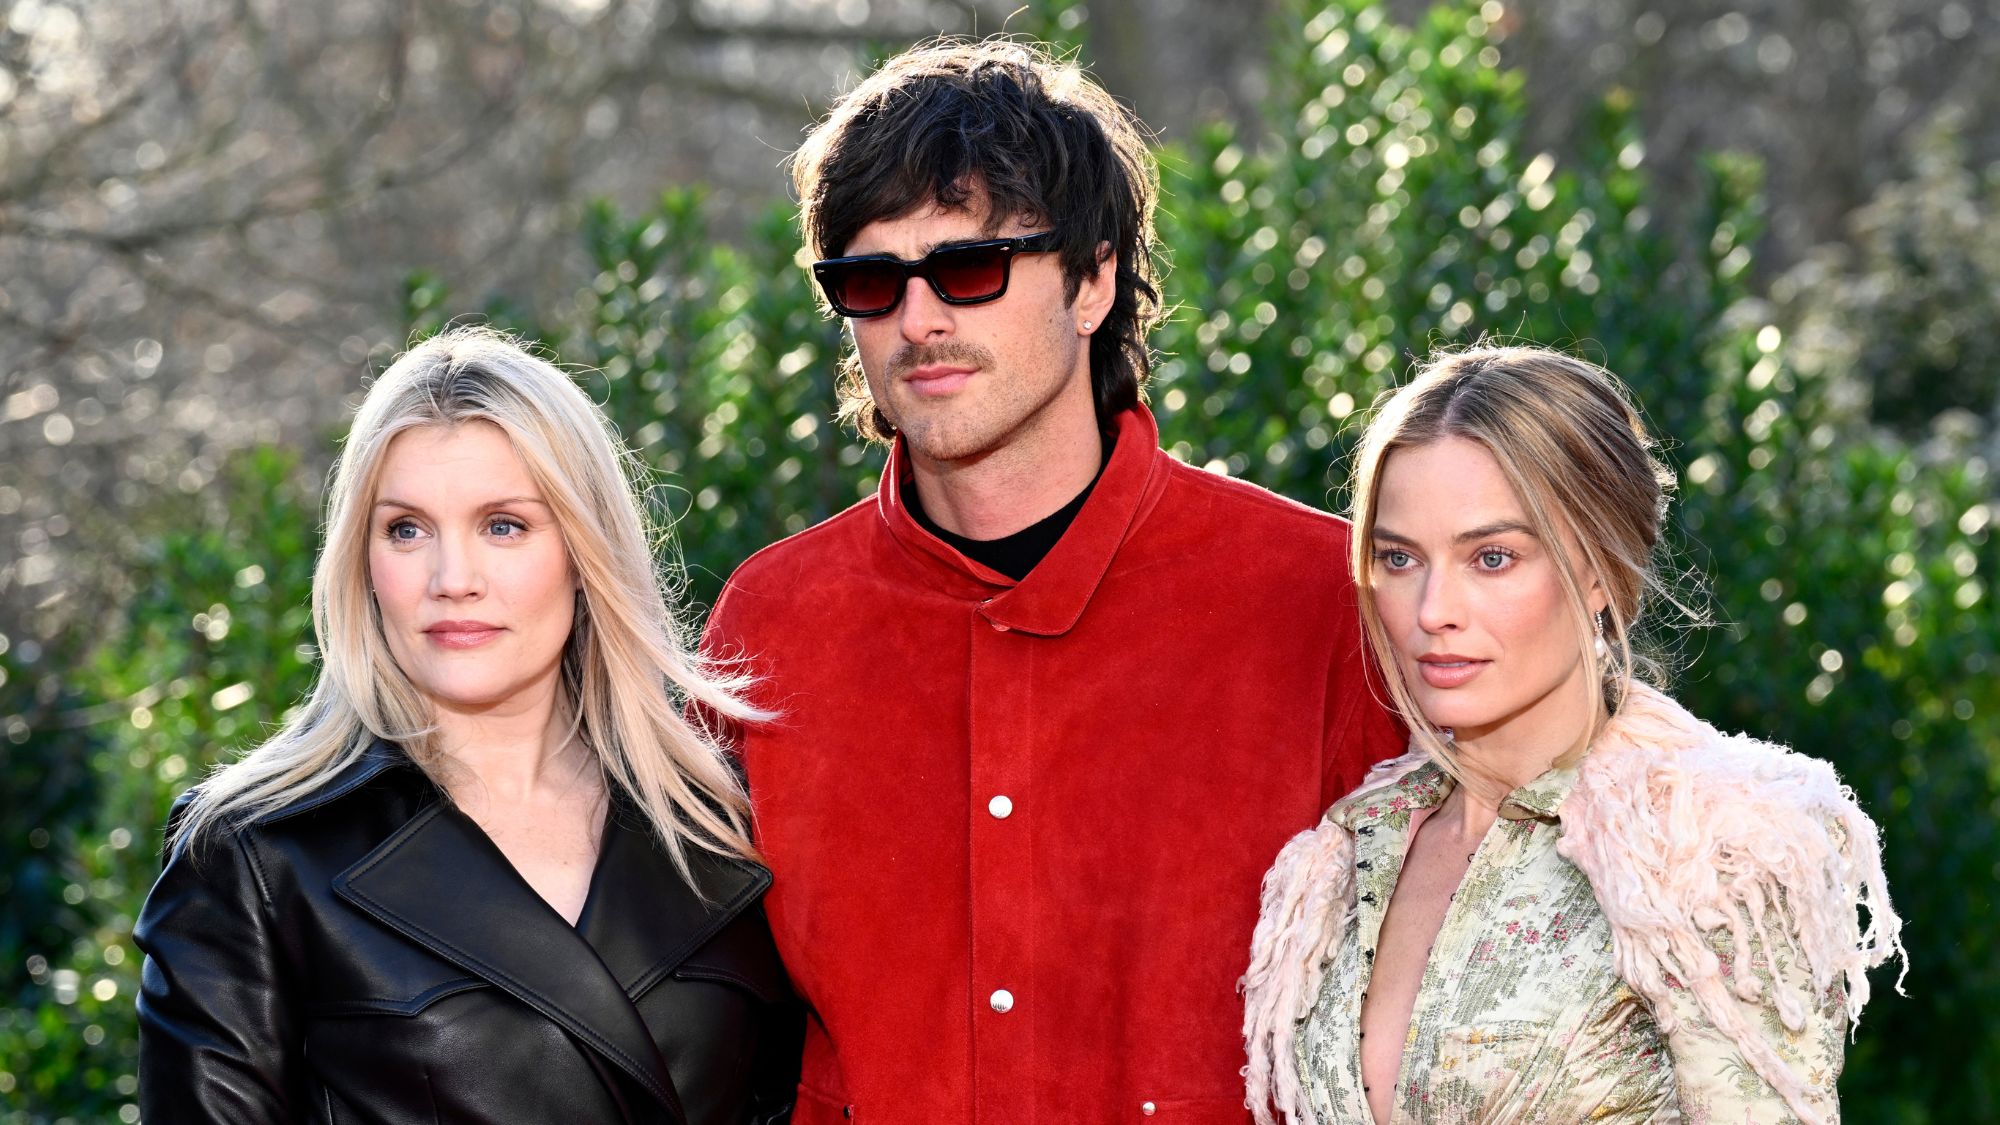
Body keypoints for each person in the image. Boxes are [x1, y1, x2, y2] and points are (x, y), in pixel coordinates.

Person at [699, 38, 1403, 1123]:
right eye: (870, 282)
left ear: (1092, 280)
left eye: (970, 269)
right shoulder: (772, 622)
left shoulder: (1319, 602)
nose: (918, 321)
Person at [135, 327, 801, 1124]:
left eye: (503, 525)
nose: (453, 580)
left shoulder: (721, 816)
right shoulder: (254, 855)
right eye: (406, 529)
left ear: (584, 551)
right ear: (362, 560)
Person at [1241, 346, 1906, 1125]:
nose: (1432, 610)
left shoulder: (1711, 846)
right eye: (1399, 557)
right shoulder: (1344, 851)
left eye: (1491, 557)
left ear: (1595, 567)